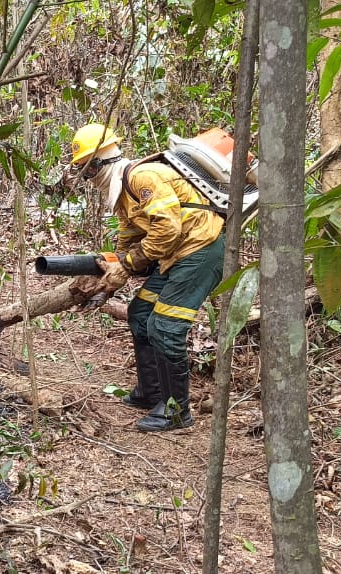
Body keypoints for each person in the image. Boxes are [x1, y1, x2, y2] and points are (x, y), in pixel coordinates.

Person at [69, 123, 227, 432]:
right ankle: (152, 392)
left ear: (99, 164)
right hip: (175, 257)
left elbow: (168, 229)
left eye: (87, 172)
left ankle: (177, 411)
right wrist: (113, 269)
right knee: (141, 314)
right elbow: (130, 239)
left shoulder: (143, 177)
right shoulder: (126, 194)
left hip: (200, 252)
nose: (89, 180)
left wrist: (127, 266)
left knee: (165, 326)